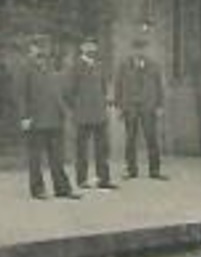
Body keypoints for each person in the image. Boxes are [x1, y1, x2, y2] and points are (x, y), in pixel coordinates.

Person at [19, 34, 78, 200]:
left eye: (44, 46)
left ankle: (62, 188)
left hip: (54, 118)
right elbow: (21, 94)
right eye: (37, 45)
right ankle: (37, 189)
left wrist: (64, 112)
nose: (41, 49)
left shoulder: (51, 66)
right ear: (31, 48)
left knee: (57, 156)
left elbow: (57, 91)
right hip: (35, 119)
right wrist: (24, 117)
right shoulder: (25, 68)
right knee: (35, 157)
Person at [115, 34, 167, 180]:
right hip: (130, 106)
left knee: (151, 138)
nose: (139, 52)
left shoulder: (153, 66)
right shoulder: (124, 65)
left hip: (148, 106)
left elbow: (159, 86)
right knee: (130, 139)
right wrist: (119, 106)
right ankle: (131, 170)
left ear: (146, 50)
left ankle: (154, 170)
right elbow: (118, 86)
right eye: (136, 49)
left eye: (142, 49)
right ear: (131, 50)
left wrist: (160, 105)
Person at [68, 36, 116, 190]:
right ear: (82, 48)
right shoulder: (75, 66)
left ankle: (103, 179)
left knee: (102, 148)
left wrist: (105, 105)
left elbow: (103, 88)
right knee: (82, 148)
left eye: (93, 46)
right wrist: (76, 108)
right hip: (83, 114)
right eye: (87, 45)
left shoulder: (99, 66)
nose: (91, 49)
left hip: (99, 113)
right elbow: (70, 91)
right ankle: (82, 179)